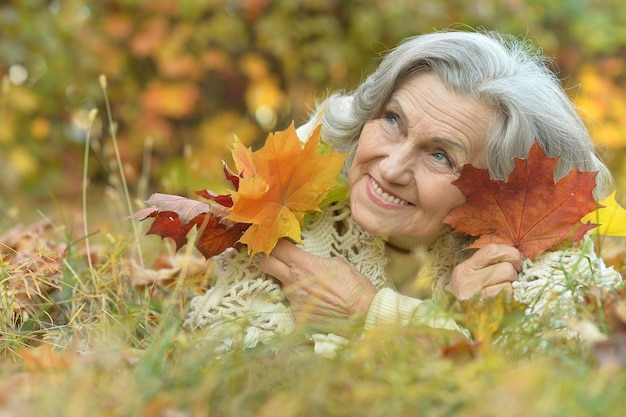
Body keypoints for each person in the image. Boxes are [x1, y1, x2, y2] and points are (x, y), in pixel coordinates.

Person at [184, 29, 623, 355]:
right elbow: (230, 362)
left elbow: (566, 377)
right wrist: (448, 334)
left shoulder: (538, 248)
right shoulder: (292, 199)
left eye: (441, 157)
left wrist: (369, 314)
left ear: (500, 192)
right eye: (393, 120)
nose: (391, 168)